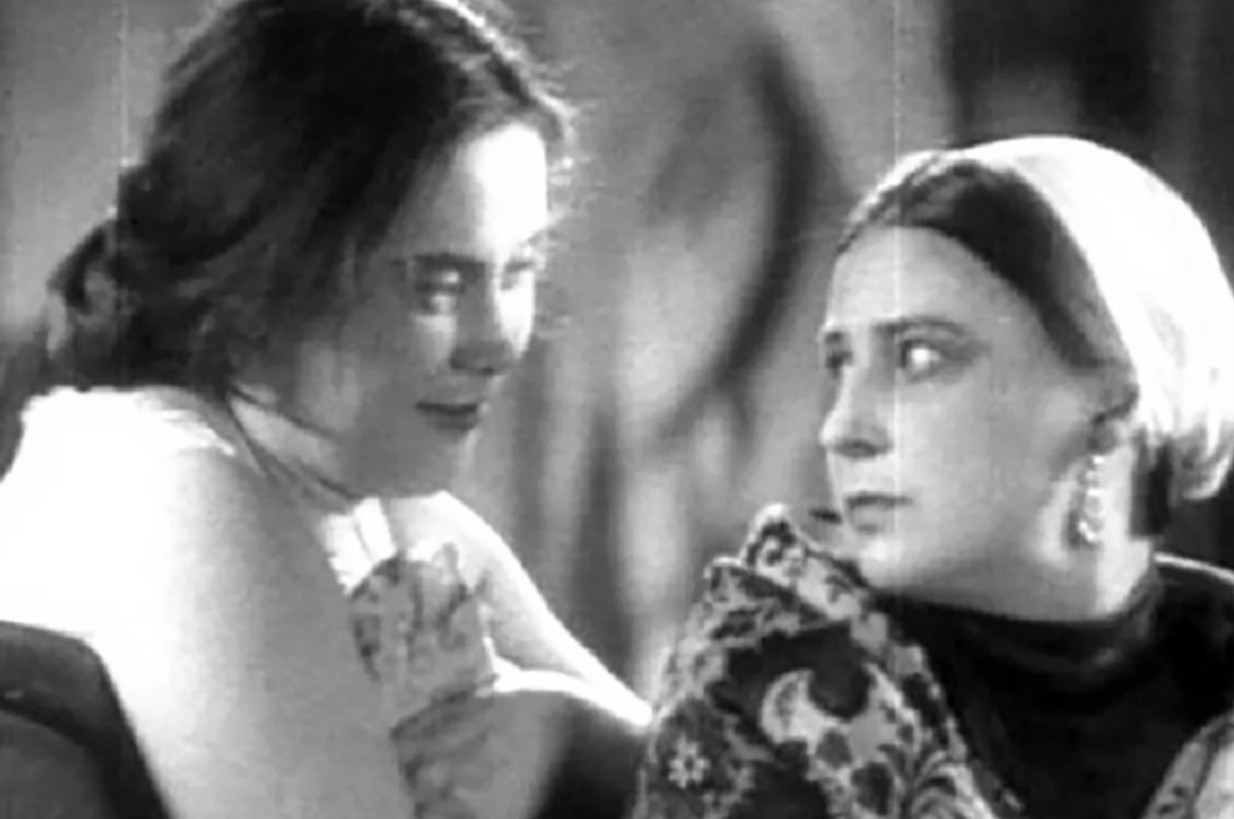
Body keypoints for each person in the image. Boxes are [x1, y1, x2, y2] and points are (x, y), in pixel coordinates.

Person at [0, 1, 650, 817]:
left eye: (517, 270)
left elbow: (725, 779)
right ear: (267, 277)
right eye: (435, 284)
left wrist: (583, 734)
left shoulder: (396, 520)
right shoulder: (173, 489)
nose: (497, 341)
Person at [629, 135, 1234, 818]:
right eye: (840, 364)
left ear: (1113, 403)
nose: (842, 428)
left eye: (918, 357)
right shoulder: (766, 688)